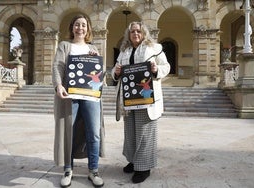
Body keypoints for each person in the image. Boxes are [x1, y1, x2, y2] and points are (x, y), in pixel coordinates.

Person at [111, 21, 170, 184]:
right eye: (132, 32)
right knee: (130, 133)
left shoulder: (155, 48)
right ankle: (133, 161)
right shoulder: (124, 51)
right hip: (129, 98)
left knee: (144, 133)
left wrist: (156, 69)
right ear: (128, 35)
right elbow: (115, 70)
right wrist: (115, 72)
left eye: (138, 31)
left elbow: (166, 66)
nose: (135, 34)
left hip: (146, 98)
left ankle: (143, 168)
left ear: (144, 33)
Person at [52, 14, 105, 188]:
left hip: (90, 96)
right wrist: (59, 85)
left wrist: (96, 60)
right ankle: (68, 169)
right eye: (77, 25)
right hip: (70, 96)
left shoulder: (93, 48)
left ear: (88, 28)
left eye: (83, 25)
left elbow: (99, 74)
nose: (80, 28)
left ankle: (94, 170)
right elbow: (58, 66)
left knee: (94, 132)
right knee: (69, 132)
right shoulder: (65, 46)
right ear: (72, 28)